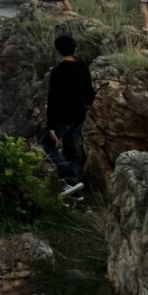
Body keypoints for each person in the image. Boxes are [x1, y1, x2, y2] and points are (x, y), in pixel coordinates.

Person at [43, 34, 95, 196]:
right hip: (79, 115)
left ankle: (71, 178)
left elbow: (53, 99)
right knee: (71, 149)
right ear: (74, 48)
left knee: (48, 144)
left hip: (62, 117)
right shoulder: (82, 67)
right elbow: (88, 91)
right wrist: (92, 102)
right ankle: (75, 191)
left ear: (58, 50)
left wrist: (50, 125)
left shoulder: (58, 71)